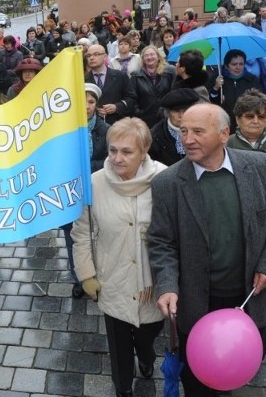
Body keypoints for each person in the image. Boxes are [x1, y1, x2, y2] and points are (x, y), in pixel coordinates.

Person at [148, 103, 266, 396]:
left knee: (239, 370)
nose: (187, 139)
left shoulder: (261, 167)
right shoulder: (167, 183)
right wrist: (166, 285)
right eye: (184, 131)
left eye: (198, 131)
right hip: (196, 308)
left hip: (250, 302)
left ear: (224, 134)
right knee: (198, 384)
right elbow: (161, 243)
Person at [72, 118, 167, 397]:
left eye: (127, 152)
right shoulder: (94, 183)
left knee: (147, 337)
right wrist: (87, 274)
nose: (117, 158)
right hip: (112, 277)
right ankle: (123, 386)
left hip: (154, 283)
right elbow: (81, 232)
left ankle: (147, 358)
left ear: (144, 150)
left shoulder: (165, 178)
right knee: (119, 345)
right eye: (113, 150)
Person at [60, 83, 110, 299]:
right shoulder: (63, 130)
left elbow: (110, 162)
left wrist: (89, 169)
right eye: (82, 101)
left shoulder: (106, 130)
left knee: (99, 235)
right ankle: (78, 277)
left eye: (91, 102)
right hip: (72, 196)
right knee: (73, 238)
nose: (87, 106)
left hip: (98, 192)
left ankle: (98, 273)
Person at [227, 89, 266, 200]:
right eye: (249, 116)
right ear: (237, 119)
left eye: (261, 117)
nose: (256, 121)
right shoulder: (225, 144)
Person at [209, 49, 264, 132]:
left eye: (241, 64)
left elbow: (259, 99)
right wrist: (216, 87)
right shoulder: (217, 78)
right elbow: (211, 100)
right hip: (223, 121)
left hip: (245, 121)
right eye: (234, 64)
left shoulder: (251, 79)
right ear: (227, 65)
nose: (238, 67)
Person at [85, 44, 136, 125]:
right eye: (88, 55)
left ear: (105, 56)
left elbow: (131, 98)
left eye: (96, 54)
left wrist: (117, 107)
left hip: (117, 125)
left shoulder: (120, 76)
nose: (91, 58)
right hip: (91, 127)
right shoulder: (83, 80)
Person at [148, 88, 199, 166]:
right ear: (168, 113)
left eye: (185, 111)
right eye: (176, 111)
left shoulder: (202, 129)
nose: (181, 116)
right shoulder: (155, 136)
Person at [130, 45, 175, 128]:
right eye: (146, 55)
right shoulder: (136, 75)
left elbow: (174, 92)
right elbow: (132, 97)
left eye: (152, 54)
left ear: (158, 56)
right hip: (145, 118)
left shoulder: (169, 71)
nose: (149, 57)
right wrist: (138, 112)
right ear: (143, 59)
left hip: (166, 117)